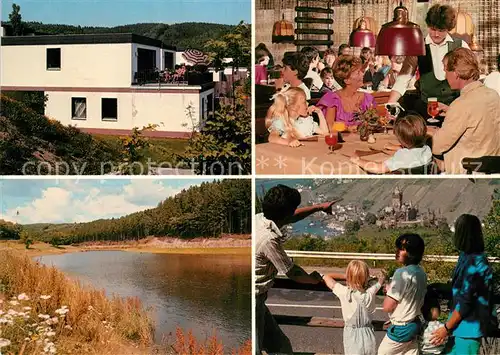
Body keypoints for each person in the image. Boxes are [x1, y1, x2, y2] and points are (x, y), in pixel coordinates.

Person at [255, 184, 340, 355]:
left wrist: (319, 208)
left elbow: (291, 217)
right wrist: (313, 278)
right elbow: (291, 272)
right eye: (293, 209)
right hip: (255, 301)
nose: (294, 213)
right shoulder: (268, 239)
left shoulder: (260, 218)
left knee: (281, 348)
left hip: (259, 301)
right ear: (285, 213)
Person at [388, 4, 470, 119]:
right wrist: (391, 102)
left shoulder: (461, 45)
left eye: (441, 30)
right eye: (432, 29)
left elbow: (470, 79)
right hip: (426, 109)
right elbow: (404, 77)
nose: (436, 34)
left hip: (454, 109)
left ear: (448, 28)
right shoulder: (418, 46)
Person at [430, 214, 495, 355]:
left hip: (468, 331)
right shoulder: (465, 256)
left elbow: (466, 301)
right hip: (459, 329)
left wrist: (446, 329)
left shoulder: (477, 263)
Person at [431, 48, 500, 174]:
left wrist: (427, 132)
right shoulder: (493, 95)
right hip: (493, 168)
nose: (445, 75)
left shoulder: (461, 105)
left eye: (446, 70)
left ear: (456, 73)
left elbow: (438, 147)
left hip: (467, 173)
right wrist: (450, 110)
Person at [322, 261, 387, 355]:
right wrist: (379, 279)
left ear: (349, 276)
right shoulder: (369, 294)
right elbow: (379, 283)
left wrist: (348, 276)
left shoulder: (344, 292)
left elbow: (327, 277)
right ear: (366, 277)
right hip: (368, 334)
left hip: (351, 335)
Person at [377, 233, 427, 355]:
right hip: (414, 324)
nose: (397, 251)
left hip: (401, 328)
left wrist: (389, 291)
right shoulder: (421, 272)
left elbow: (387, 306)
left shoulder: (402, 273)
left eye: (402, 249)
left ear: (411, 252)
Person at [350, 114, 433, 174]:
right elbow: (414, 153)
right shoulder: (427, 149)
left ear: (401, 140)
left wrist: (358, 160)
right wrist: (396, 147)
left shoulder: (402, 156)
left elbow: (379, 168)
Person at [316, 55, 376, 131]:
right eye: (358, 72)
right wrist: (347, 128)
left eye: (361, 71)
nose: (362, 74)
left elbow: (374, 122)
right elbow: (330, 126)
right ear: (346, 80)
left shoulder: (367, 99)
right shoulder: (333, 99)